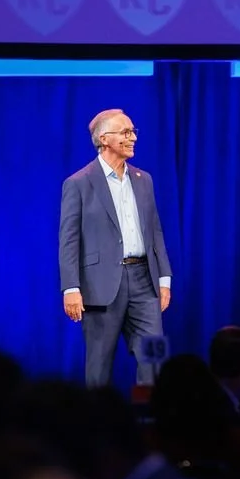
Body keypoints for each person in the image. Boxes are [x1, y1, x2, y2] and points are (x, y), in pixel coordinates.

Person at [59, 109, 172, 388]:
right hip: (101, 286)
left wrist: (165, 278)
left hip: (144, 282)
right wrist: (70, 287)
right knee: (99, 366)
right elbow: (69, 239)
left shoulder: (143, 179)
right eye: (125, 132)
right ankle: (99, 427)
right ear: (104, 139)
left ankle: (149, 422)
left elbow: (155, 229)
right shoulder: (79, 183)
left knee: (154, 356)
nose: (132, 137)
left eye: (133, 132)